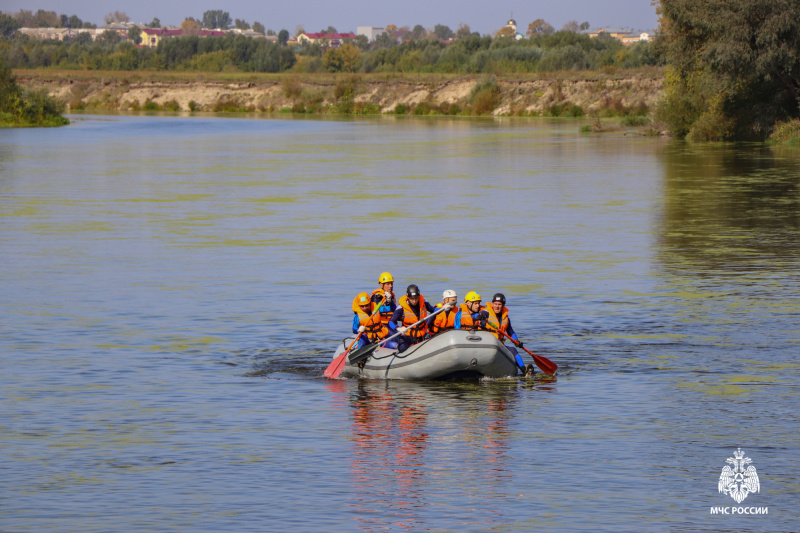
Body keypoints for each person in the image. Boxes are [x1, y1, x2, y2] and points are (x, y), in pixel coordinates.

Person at [483, 293, 526, 372]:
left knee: (513, 350)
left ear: (503, 306)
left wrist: (516, 341)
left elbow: (510, 331)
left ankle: (524, 370)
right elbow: (480, 316)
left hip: (499, 344)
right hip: (487, 343)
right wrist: (480, 317)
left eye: (499, 304)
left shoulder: (505, 318)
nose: (497, 306)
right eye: (495, 304)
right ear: (492, 304)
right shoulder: (486, 312)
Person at [389, 284, 436, 353]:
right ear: (408, 297)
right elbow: (391, 322)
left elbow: (434, 310)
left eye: (416, 298)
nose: (414, 301)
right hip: (408, 335)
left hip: (422, 334)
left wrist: (444, 307)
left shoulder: (423, 302)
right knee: (402, 348)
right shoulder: (401, 307)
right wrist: (398, 328)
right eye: (412, 299)